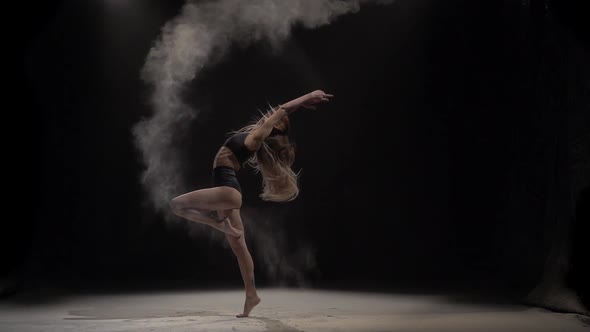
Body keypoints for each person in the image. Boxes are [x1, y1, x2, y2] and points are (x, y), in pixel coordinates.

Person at [169, 89, 333, 317]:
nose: (270, 115)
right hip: (228, 193)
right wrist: (301, 105)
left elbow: (284, 108)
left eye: (274, 118)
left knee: (176, 205)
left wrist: (306, 97)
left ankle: (217, 225)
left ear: (274, 126)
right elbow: (284, 111)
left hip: (227, 191)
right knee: (239, 246)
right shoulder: (257, 135)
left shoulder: (257, 137)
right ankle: (251, 296)